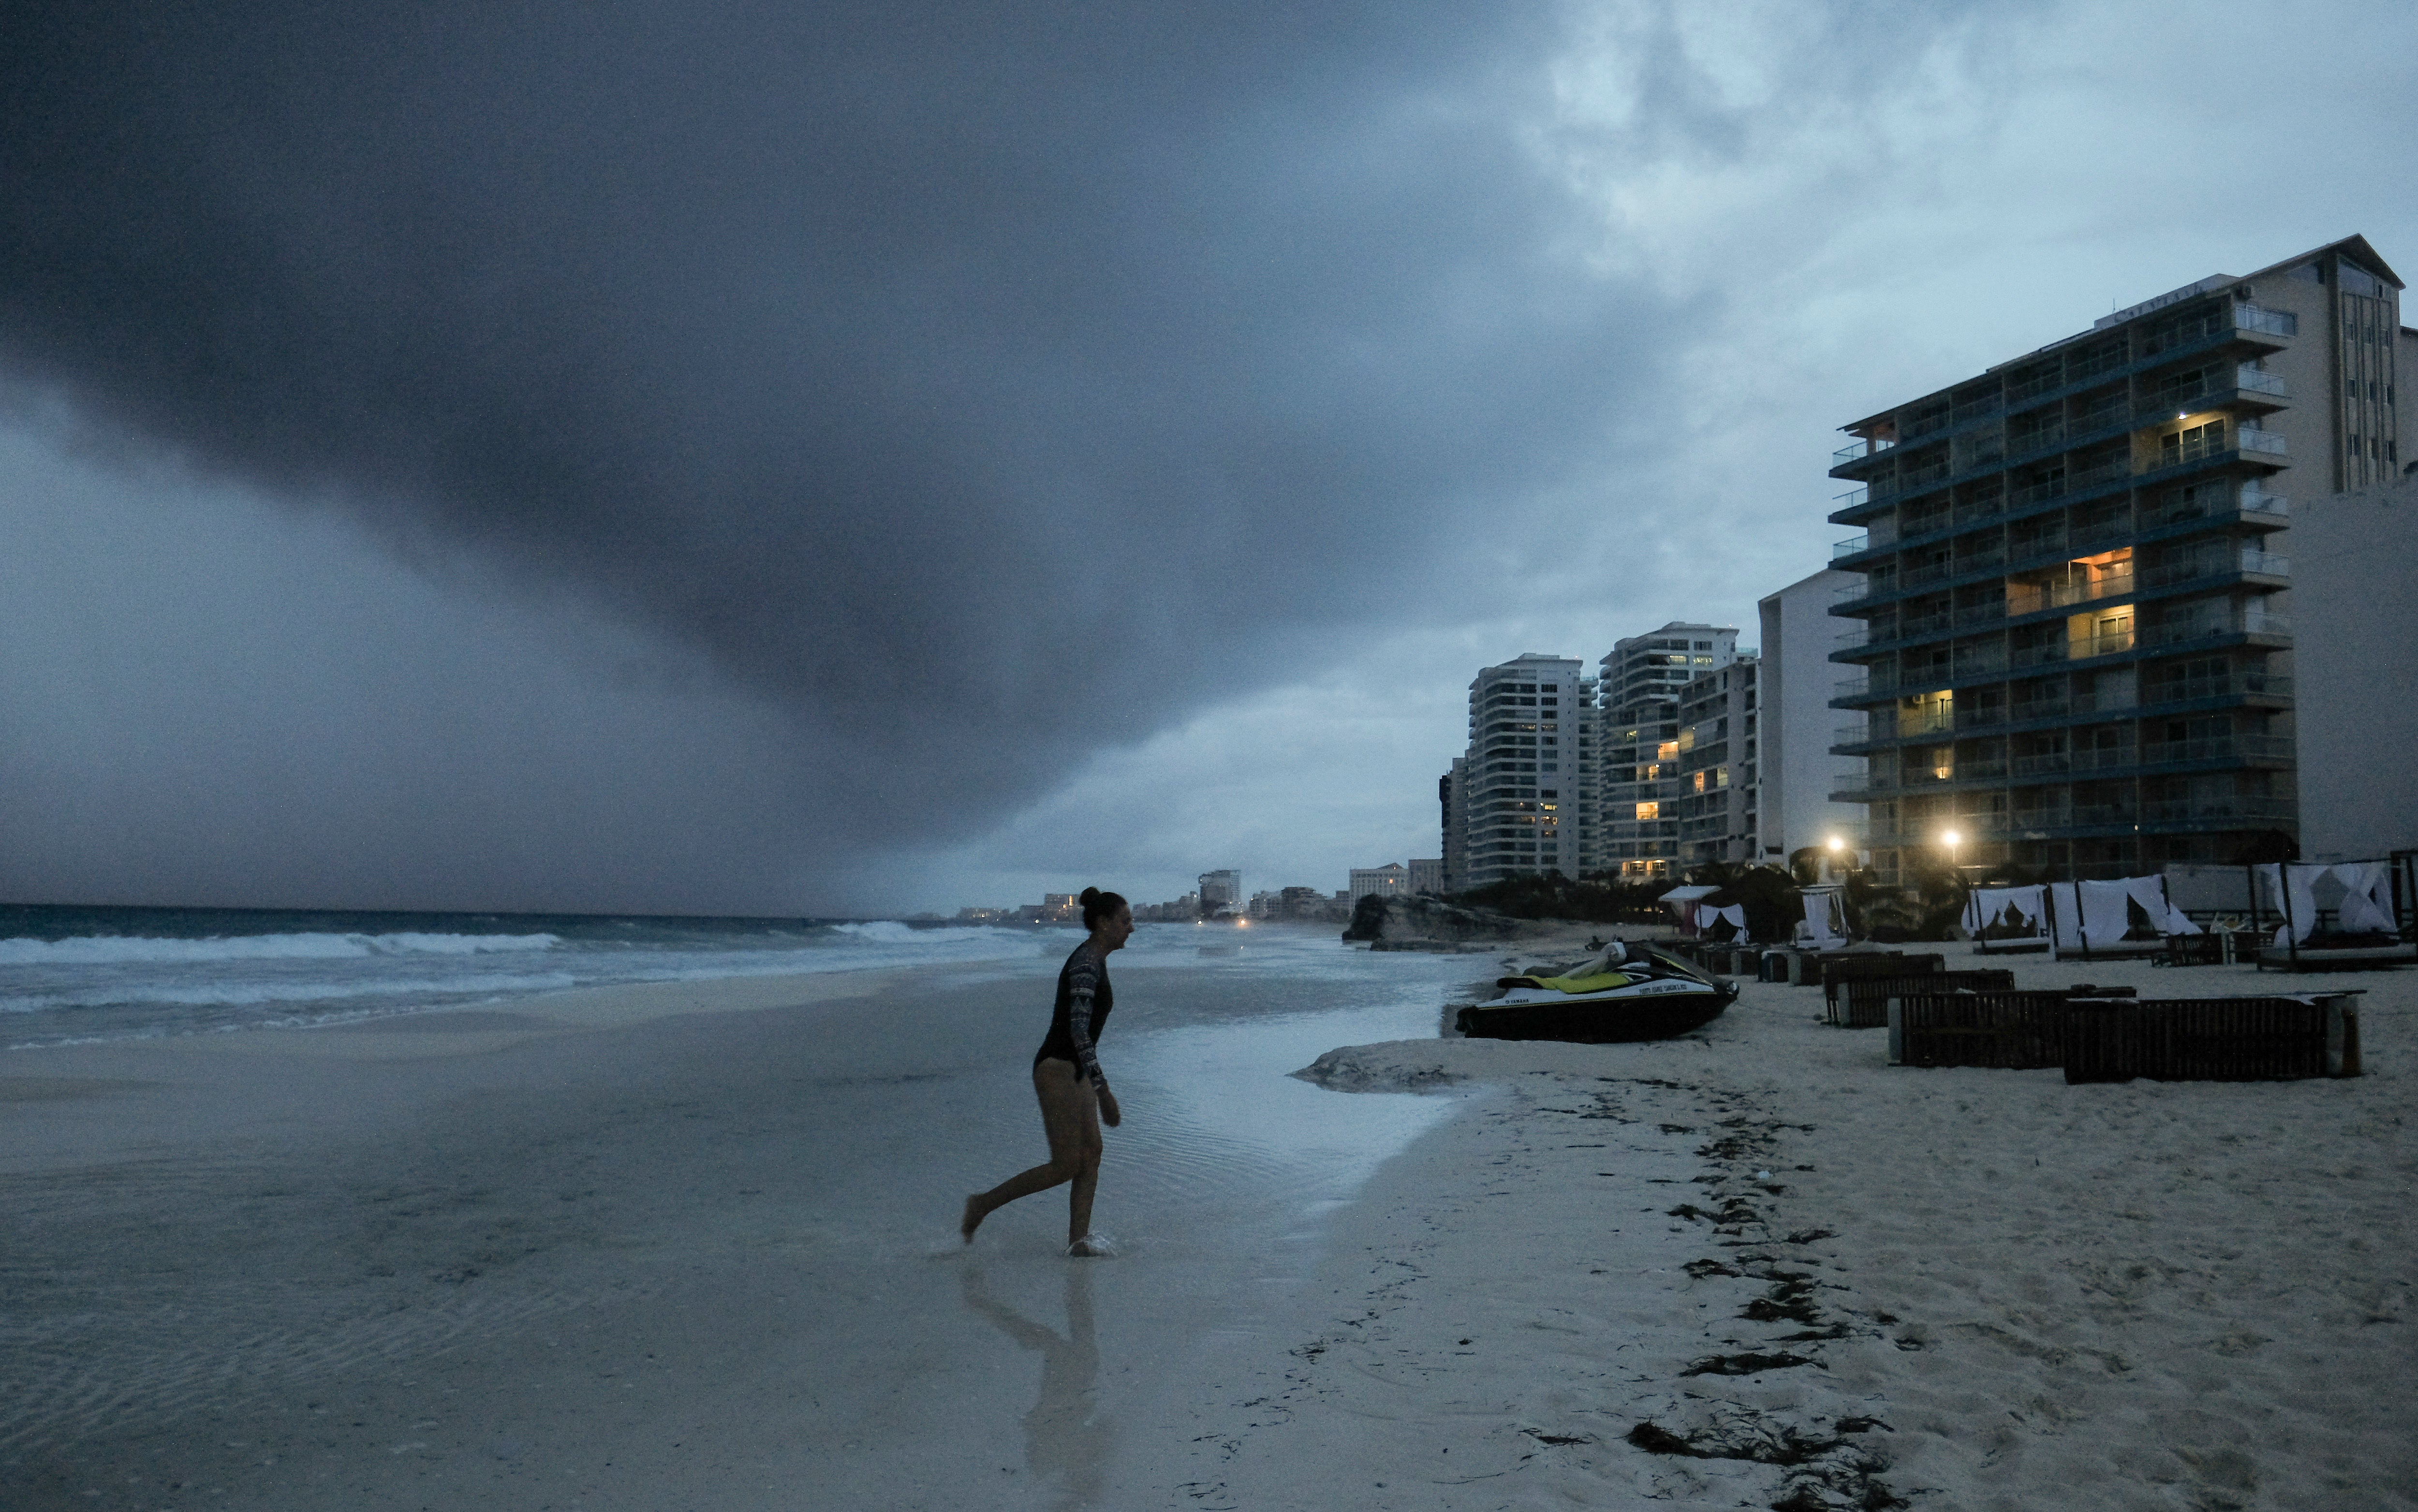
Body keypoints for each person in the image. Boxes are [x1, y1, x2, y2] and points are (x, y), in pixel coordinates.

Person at [961, 887, 1131, 1256]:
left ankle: (1078, 1242)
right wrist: (1104, 1091)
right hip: (1056, 1069)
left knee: (1092, 1153)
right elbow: (1078, 1030)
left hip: (1075, 1069)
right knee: (1066, 1163)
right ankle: (981, 1205)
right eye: (1124, 921)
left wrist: (1093, 1082)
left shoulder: (1096, 960)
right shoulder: (1086, 963)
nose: (1131, 928)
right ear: (1103, 923)